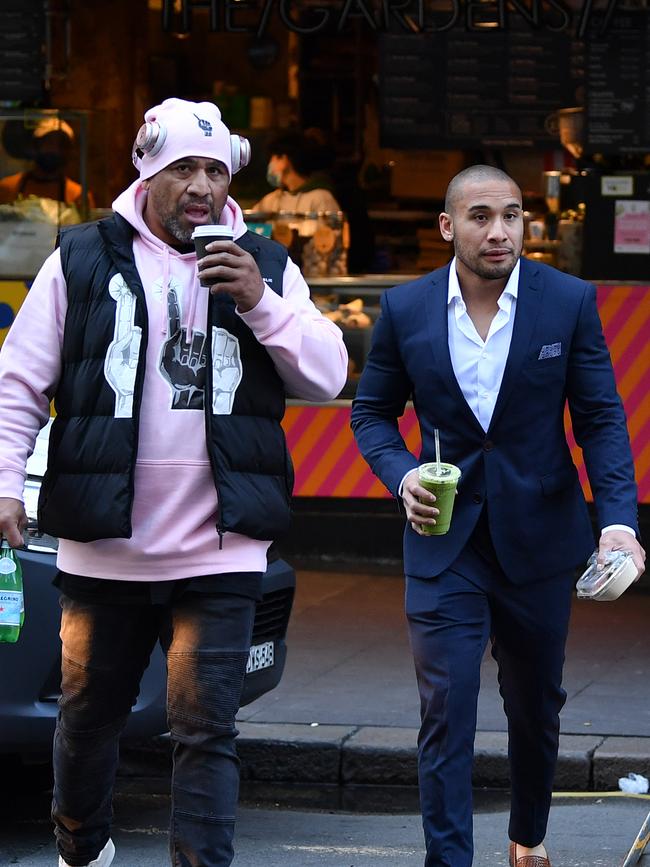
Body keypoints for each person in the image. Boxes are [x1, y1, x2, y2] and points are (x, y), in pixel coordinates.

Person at [0, 97, 347, 867]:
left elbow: (327, 376)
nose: (201, 185)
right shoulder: (80, 257)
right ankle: (82, 847)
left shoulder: (266, 264)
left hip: (220, 542)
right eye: (184, 168)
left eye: (214, 170)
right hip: (104, 537)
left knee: (205, 729)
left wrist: (259, 301)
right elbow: (18, 381)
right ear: (146, 171)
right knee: (89, 719)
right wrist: (4, 485)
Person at [351, 164, 645, 867]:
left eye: (511, 215)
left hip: (541, 540)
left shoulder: (567, 301)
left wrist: (619, 521)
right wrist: (401, 475)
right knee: (446, 710)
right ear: (449, 227)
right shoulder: (407, 309)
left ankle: (528, 835)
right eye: (481, 216)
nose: (500, 230)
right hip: (443, 538)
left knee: (535, 707)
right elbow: (372, 414)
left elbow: (600, 418)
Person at [0, 117, 95, 211]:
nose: (54, 149)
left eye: (60, 144)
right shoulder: (7, 187)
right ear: (35, 147)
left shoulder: (78, 195)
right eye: (49, 142)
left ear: (68, 151)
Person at [252, 129, 341, 215]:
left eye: (272, 159)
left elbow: (332, 229)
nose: (270, 166)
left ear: (284, 159)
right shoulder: (272, 200)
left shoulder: (321, 198)